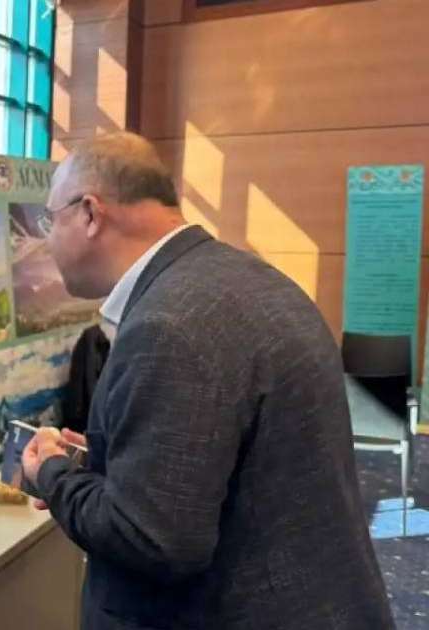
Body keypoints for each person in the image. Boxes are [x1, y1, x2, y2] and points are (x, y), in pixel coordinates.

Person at [21, 132, 392, 629]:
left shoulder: (167, 325)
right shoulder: (246, 280)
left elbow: (152, 540)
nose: (46, 239)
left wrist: (52, 473)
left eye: (50, 219)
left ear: (90, 213)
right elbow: (214, 464)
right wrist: (118, 462)